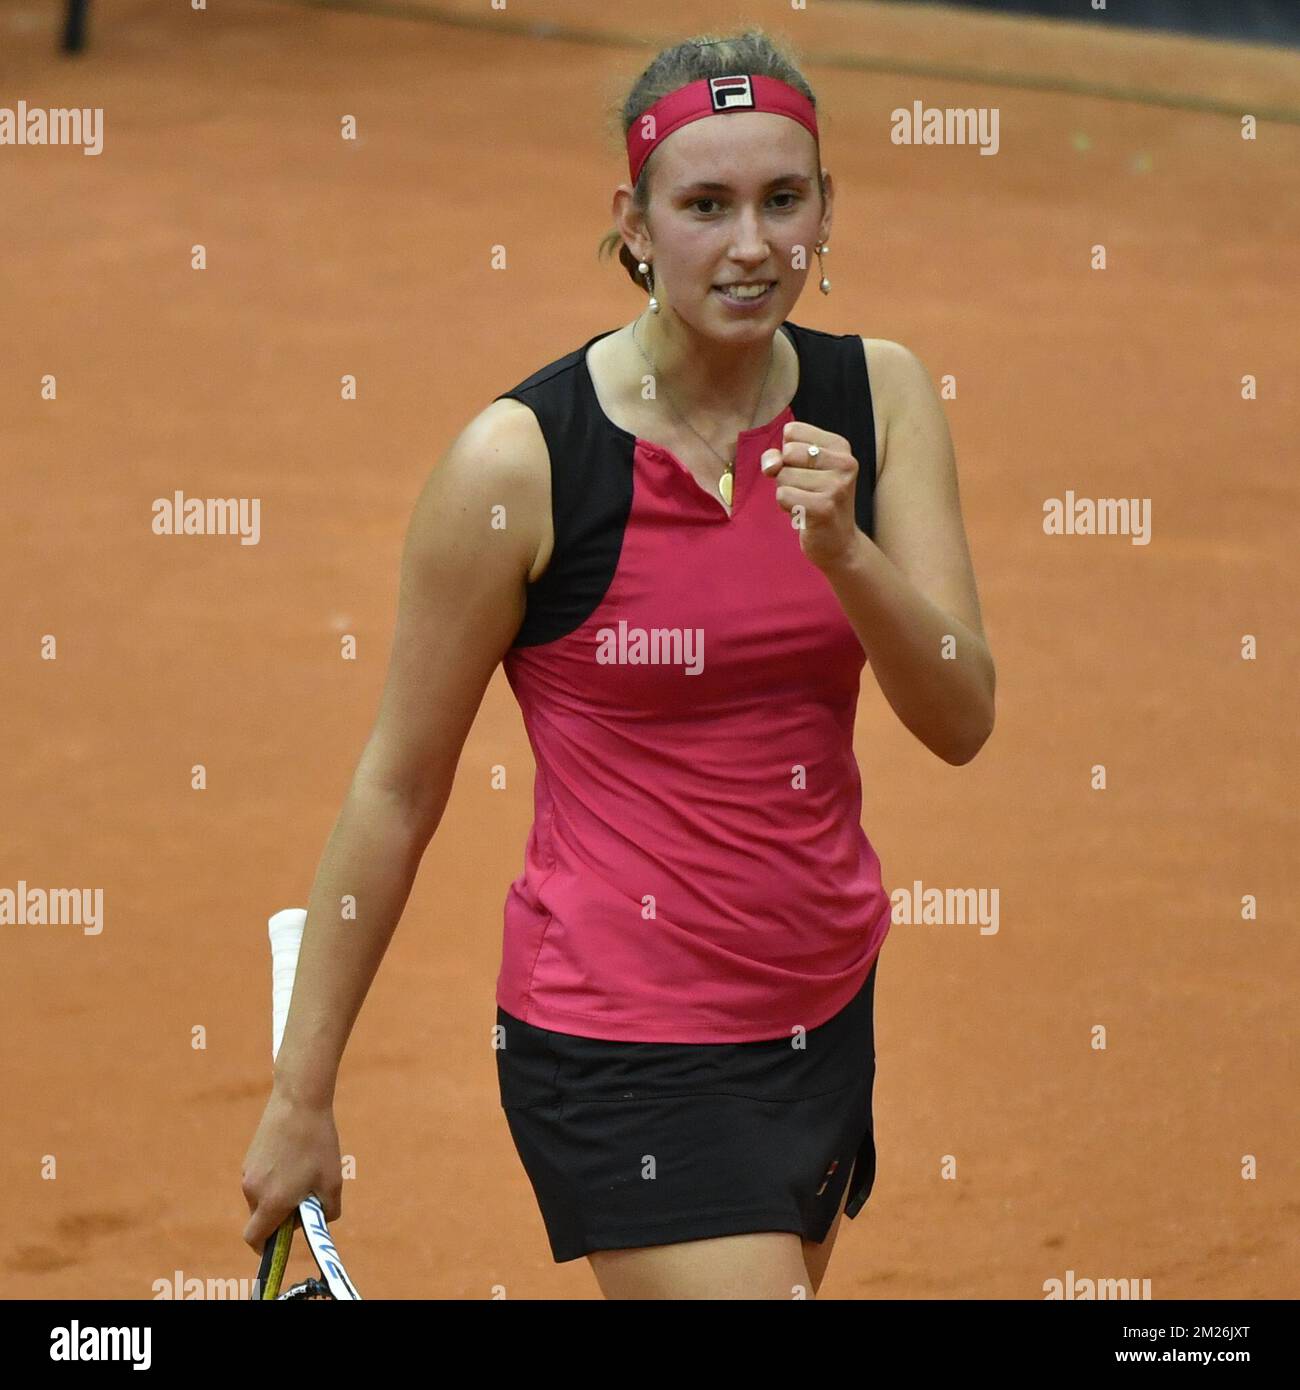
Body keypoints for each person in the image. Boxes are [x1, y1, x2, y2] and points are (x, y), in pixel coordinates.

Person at [241, 27, 994, 1301]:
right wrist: (300, 1096)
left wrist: (847, 554)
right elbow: (397, 784)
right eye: (704, 205)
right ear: (633, 223)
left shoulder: (883, 399)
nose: (750, 245)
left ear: (825, 211)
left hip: (819, 1008)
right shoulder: (523, 463)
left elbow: (960, 712)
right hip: (616, 1031)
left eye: (781, 199)